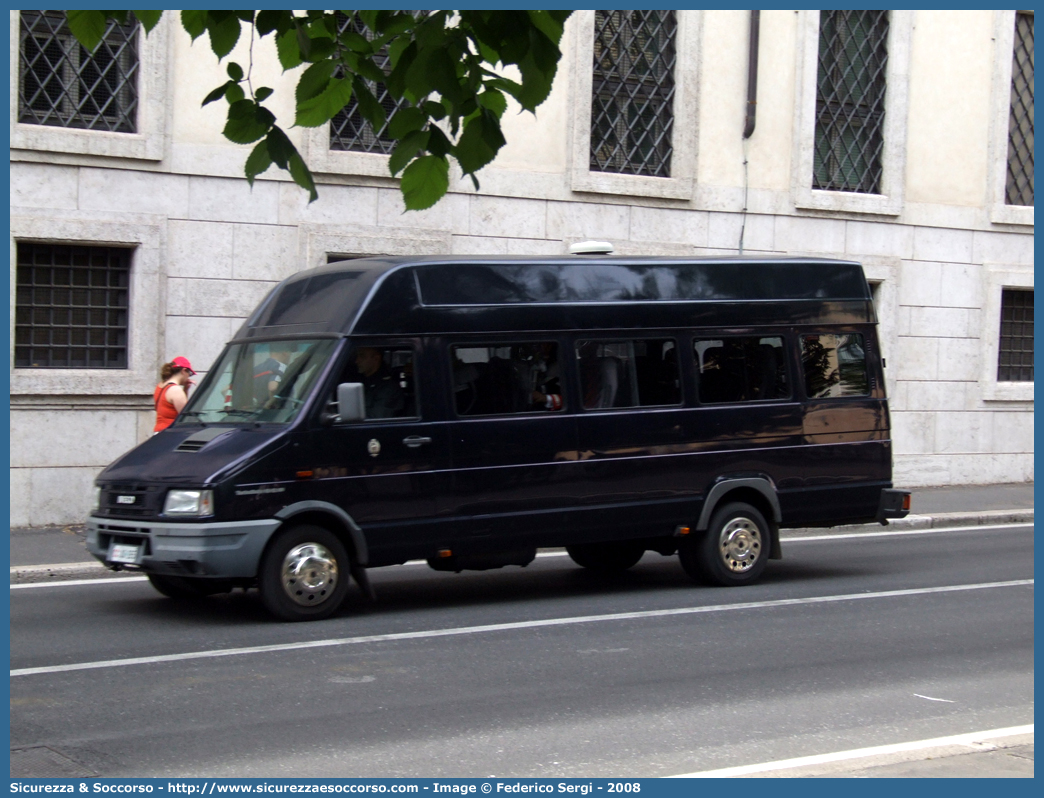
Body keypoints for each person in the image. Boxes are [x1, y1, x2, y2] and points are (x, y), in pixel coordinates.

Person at [354, 347, 404, 419]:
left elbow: (376, 419)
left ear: (376, 358)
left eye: (362, 356)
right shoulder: (362, 381)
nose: (357, 361)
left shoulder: (388, 388)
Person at [153, 356, 195, 432]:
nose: (189, 376)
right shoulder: (175, 390)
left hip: (159, 432)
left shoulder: (160, 386)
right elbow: (185, 416)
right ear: (184, 371)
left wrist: (185, 389)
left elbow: (170, 408)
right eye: (189, 373)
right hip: (169, 433)